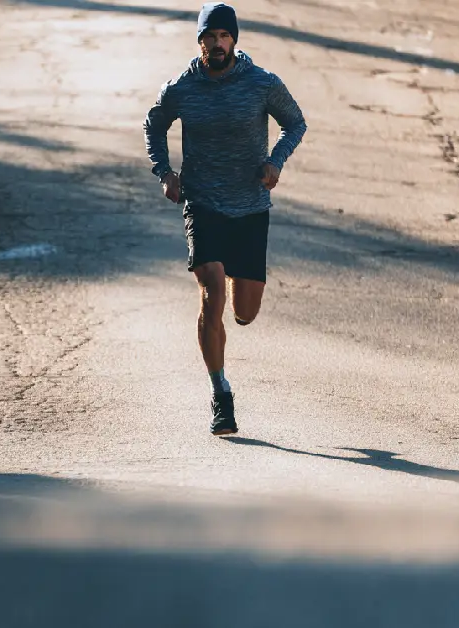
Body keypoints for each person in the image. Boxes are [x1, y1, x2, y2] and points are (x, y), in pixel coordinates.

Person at [144, 2, 307, 435]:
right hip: (203, 202)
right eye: (209, 37)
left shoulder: (261, 84)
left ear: (234, 40)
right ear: (199, 41)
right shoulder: (182, 87)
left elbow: (295, 123)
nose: (216, 44)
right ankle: (221, 394)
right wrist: (165, 172)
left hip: (251, 205)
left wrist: (275, 162)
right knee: (211, 289)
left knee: (246, 311)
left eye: (223, 36)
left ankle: (238, 284)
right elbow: (154, 123)